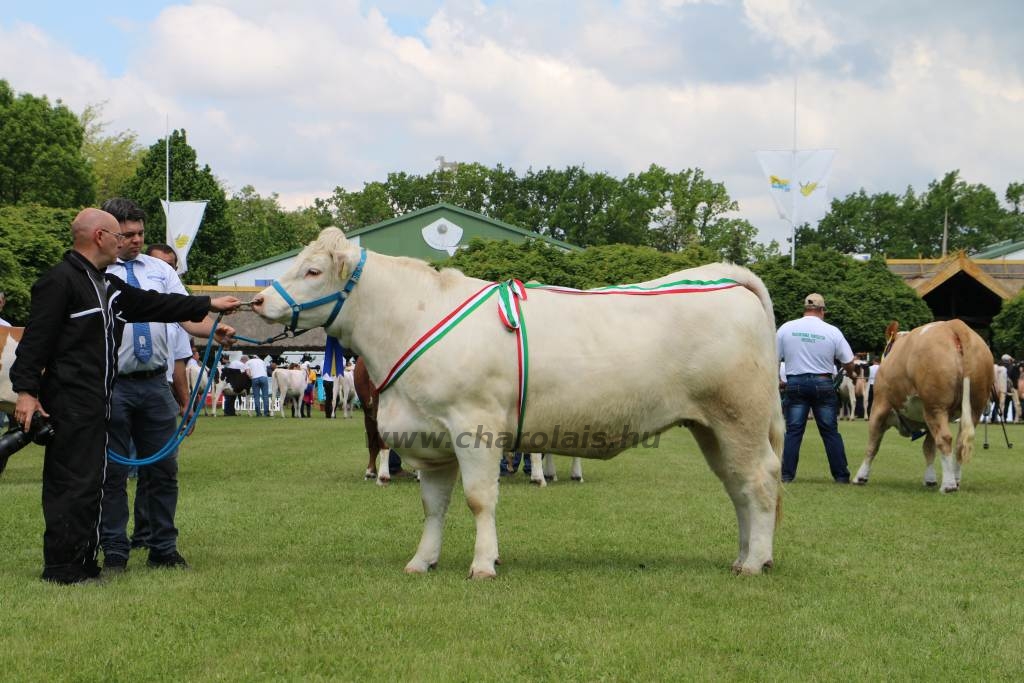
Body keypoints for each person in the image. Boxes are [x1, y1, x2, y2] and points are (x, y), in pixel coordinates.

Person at [9, 208, 240, 584]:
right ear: (100, 237)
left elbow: (156, 304)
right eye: (118, 235)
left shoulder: (106, 286)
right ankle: (62, 567)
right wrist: (26, 392)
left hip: (98, 400)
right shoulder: (60, 282)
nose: (124, 241)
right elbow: (35, 343)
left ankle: (84, 561)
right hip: (70, 401)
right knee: (72, 482)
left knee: (92, 481)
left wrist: (208, 305)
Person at [99, 199, 237, 574]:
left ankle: (163, 547)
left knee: (163, 470)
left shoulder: (160, 270)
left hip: (155, 385)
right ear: (109, 234)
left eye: (141, 233)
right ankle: (114, 550)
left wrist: (215, 329)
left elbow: (185, 315)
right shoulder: (96, 273)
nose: (135, 241)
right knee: (111, 474)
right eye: (127, 235)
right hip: (112, 386)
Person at [776, 293, 855, 484]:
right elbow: (849, 361)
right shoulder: (832, 331)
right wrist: (850, 373)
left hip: (795, 383)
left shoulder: (786, 328)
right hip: (823, 383)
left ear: (805, 308)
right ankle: (841, 476)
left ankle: (786, 475)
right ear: (822, 310)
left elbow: (773, 359)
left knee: (794, 431)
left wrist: (778, 379)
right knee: (830, 431)